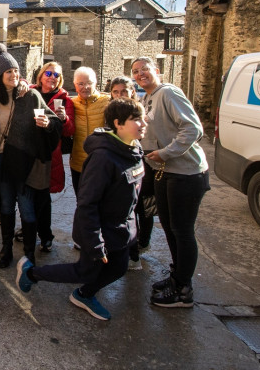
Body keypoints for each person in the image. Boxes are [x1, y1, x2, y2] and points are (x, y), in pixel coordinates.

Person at [15, 98, 146, 321]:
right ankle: (30, 273)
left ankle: (84, 294)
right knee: (85, 271)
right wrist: (96, 242)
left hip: (121, 231)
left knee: (118, 267)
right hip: (99, 231)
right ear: (118, 123)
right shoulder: (103, 158)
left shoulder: (133, 148)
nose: (143, 123)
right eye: (136, 119)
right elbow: (88, 204)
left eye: (143, 118)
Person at [131, 57, 209, 308]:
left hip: (185, 173)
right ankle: (177, 277)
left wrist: (165, 153)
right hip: (164, 173)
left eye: (145, 69)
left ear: (157, 71)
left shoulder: (168, 93)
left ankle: (183, 289)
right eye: (136, 71)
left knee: (182, 231)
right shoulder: (148, 98)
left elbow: (193, 129)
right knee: (170, 228)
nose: (141, 74)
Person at [0, 45, 61, 269]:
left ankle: (28, 253)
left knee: (26, 207)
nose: (14, 75)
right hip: (2, 162)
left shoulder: (31, 95)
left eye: (16, 71)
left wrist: (47, 125)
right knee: (5, 207)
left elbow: (53, 120)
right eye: (9, 72)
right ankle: (6, 248)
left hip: (25, 162)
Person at [110, 75, 155, 270]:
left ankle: (141, 244)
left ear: (132, 92)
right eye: (116, 92)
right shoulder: (112, 111)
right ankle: (132, 252)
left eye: (124, 91)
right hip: (123, 165)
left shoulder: (139, 110)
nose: (120, 95)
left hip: (143, 162)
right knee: (128, 210)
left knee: (143, 209)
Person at [30, 62, 76, 252]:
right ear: (41, 76)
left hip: (49, 153)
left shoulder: (65, 100)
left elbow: (70, 131)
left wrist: (64, 118)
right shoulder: (30, 93)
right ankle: (29, 231)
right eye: (48, 73)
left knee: (42, 197)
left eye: (56, 75)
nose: (52, 77)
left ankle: (45, 235)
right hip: (28, 151)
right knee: (27, 196)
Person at [70, 67, 111, 196]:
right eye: (81, 84)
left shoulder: (107, 101)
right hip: (78, 164)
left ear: (96, 83)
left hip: (101, 163)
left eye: (89, 83)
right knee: (81, 200)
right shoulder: (71, 103)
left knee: (102, 201)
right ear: (75, 85)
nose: (85, 87)